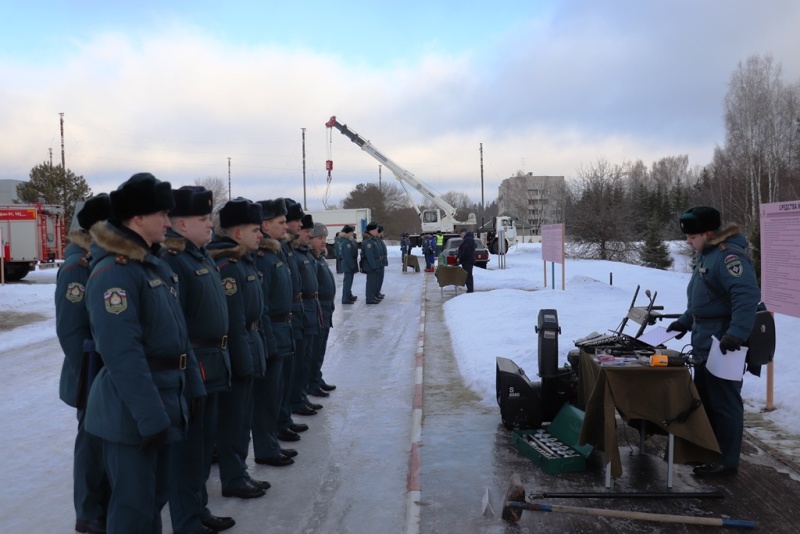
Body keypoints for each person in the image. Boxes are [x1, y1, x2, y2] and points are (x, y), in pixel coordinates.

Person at [84, 173, 206, 533]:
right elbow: (123, 354)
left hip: (165, 398)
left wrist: (193, 387)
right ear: (138, 218)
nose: (168, 223)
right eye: (162, 215)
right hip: (132, 413)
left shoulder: (152, 265)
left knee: (154, 499)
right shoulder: (115, 273)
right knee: (134, 511)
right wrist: (151, 417)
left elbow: (178, 333)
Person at [666, 206, 761, 477]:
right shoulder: (707, 255)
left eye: (692, 236)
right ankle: (710, 452)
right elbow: (707, 298)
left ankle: (727, 461)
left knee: (725, 403)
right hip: (704, 341)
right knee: (706, 399)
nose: (687, 241)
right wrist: (684, 321)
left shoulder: (728, 257)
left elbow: (746, 295)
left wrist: (737, 334)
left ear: (709, 233)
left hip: (723, 343)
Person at [162, 186, 235, 533]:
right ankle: (187, 520)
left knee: (204, 446)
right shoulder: (174, 261)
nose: (210, 225)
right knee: (188, 451)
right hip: (195, 363)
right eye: (202, 219)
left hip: (213, 360)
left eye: (210, 218)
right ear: (179, 224)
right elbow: (178, 324)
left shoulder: (200, 256)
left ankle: (198, 508)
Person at [206, 198, 270, 499]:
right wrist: (244, 362)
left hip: (249, 344)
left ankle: (239, 472)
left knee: (242, 418)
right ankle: (233, 477)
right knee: (233, 421)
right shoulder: (228, 266)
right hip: (237, 350)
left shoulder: (243, 261)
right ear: (236, 231)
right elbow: (234, 322)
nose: (261, 235)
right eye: (255, 229)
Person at [56, 193, 112, 534]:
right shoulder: (78, 265)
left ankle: (102, 504)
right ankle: (88, 511)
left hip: (101, 369)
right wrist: (90, 375)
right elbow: (70, 330)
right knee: (91, 444)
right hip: (90, 372)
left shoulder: (97, 259)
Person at [252, 198, 297, 468]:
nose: (286, 226)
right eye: (281, 222)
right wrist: (268, 341)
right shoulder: (262, 258)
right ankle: (265, 447)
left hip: (282, 329)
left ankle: (271, 443)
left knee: (276, 392)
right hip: (271, 331)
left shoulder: (275, 253)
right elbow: (263, 305)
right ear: (265, 225)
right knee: (266, 398)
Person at [290, 213, 323, 416]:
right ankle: (296, 400)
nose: (309, 235)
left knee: (307, 357)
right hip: (299, 311)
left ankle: (301, 396)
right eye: (306, 231)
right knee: (298, 362)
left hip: (310, 308)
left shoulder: (304, 254)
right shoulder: (293, 254)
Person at [308, 222, 337, 397]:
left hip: (326, 307)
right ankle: (311, 382)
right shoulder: (311, 259)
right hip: (318, 307)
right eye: (319, 238)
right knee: (315, 348)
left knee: (321, 347)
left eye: (325, 238)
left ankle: (316, 378)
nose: (323, 241)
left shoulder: (319, 257)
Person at [360, 222, 382, 303]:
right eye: (375, 230)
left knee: (374, 282)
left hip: (375, 264)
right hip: (370, 265)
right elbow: (370, 255)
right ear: (371, 231)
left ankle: (372, 296)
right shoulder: (368, 242)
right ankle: (369, 298)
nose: (377, 231)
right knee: (370, 283)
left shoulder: (373, 240)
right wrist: (373, 266)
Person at [337, 225, 358, 304]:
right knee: (347, 282)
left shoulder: (347, 240)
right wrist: (352, 265)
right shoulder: (346, 242)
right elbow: (348, 255)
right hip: (347, 264)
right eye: (351, 232)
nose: (352, 233)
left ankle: (348, 295)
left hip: (348, 263)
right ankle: (346, 298)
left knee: (349, 281)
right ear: (348, 233)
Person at [456, 227, 476, 293]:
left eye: (461, 234)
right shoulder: (468, 239)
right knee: (467, 275)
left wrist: (460, 258)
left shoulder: (468, 240)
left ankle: (470, 290)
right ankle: (469, 289)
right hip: (467, 260)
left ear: (464, 233)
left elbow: (466, 251)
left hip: (467, 261)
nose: (460, 235)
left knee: (468, 275)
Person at [376, 225, 387, 300]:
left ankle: (378, 292)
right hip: (379, 261)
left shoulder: (380, 240)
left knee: (380, 278)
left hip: (381, 261)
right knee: (377, 279)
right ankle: (376, 292)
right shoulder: (377, 240)